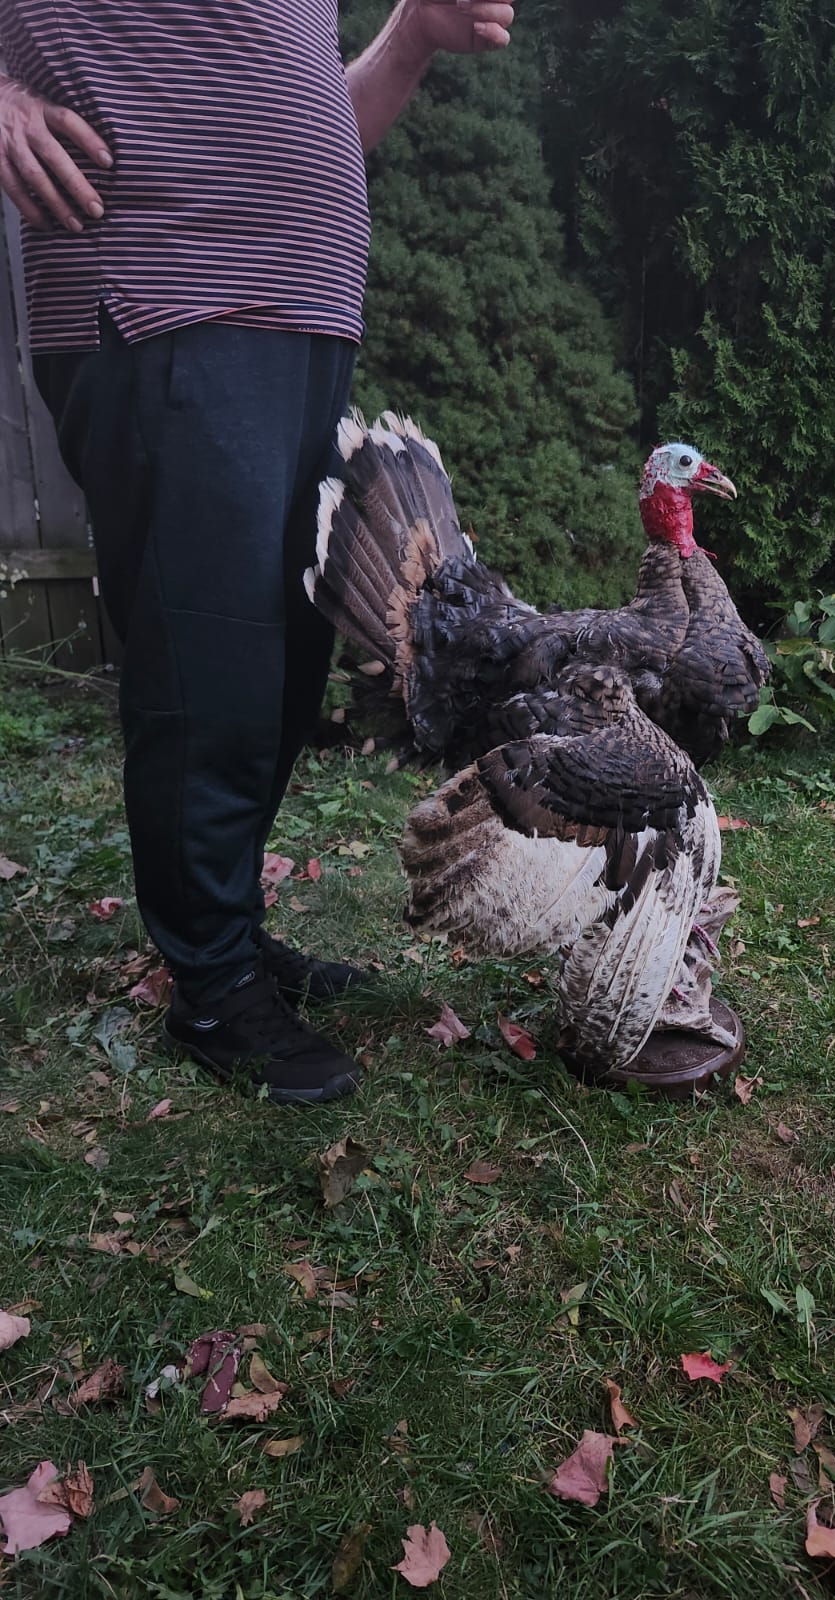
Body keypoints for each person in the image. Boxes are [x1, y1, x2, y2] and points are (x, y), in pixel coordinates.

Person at [0, 0, 515, 1105]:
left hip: (302, 313)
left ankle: (223, 930)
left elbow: (318, 120)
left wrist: (414, 34)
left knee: (284, 662)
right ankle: (212, 983)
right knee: (213, 658)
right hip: (165, 291)